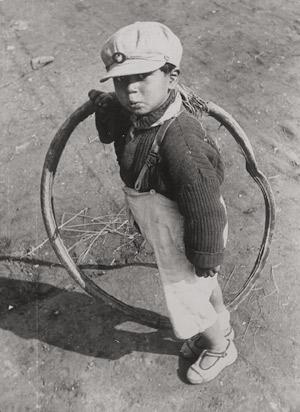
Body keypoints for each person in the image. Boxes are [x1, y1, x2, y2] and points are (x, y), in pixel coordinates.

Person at [88, 21, 237, 384]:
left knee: (188, 295)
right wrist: (107, 107)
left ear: (172, 76)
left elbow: (204, 204)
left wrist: (204, 255)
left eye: (141, 77)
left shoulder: (180, 140)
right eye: (121, 81)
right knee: (202, 290)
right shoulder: (139, 114)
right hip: (165, 223)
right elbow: (112, 136)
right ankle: (220, 322)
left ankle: (220, 347)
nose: (131, 90)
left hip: (191, 231)